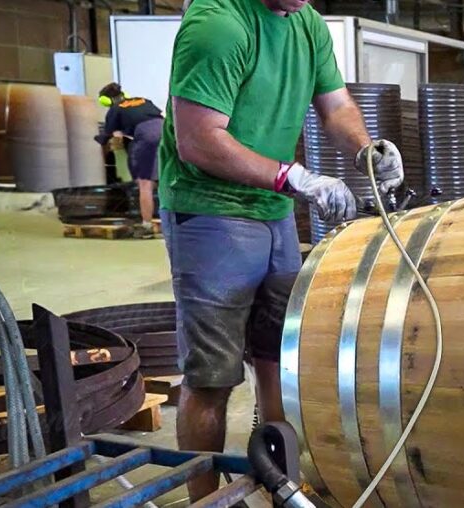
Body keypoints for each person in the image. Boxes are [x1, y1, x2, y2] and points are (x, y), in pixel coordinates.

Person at [159, 0, 404, 499]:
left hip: (273, 212)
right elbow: (198, 140)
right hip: (212, 212)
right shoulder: (219, 24)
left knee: (278, 358)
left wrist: (365, 150)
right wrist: (290, 175)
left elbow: (335, 105)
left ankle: (280, 486)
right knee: (212, 376)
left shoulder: (307, 23)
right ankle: (205, 497)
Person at [95, 83, 164, 238]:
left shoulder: (115, 109)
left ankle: (146, 226)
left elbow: (109, 136)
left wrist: (100, 139)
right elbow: (157, 117)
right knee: (165, 179)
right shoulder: (142, 100)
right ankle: (174, 222)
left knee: (145, 183)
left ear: (106, 100)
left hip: (146, 136)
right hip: (165, 132)